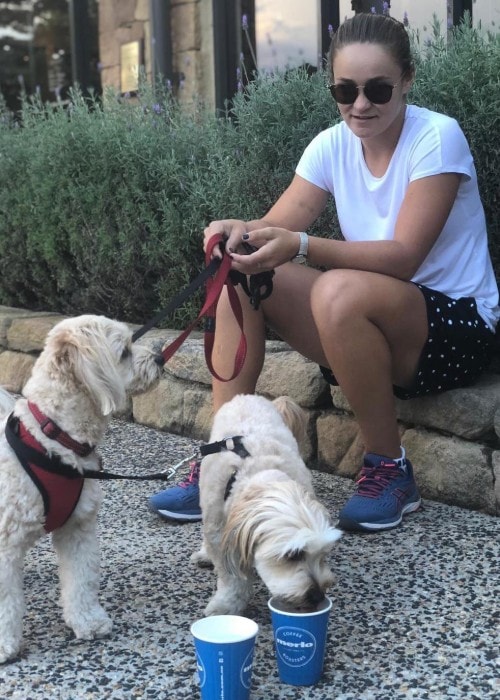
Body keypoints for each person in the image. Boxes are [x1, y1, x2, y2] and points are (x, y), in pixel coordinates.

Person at [149, 12, 499, 532]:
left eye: (379, 89)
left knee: (337, 292)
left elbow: (404, 256)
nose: (361, 104)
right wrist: (237, 231)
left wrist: (305, 245)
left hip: (454, 330)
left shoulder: (436, 138)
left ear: (407, 80)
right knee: (241, 270)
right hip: (365, 327)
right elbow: (275, 227)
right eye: (346, 89)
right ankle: (222, 459)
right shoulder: (330, 144)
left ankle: (389, 468)